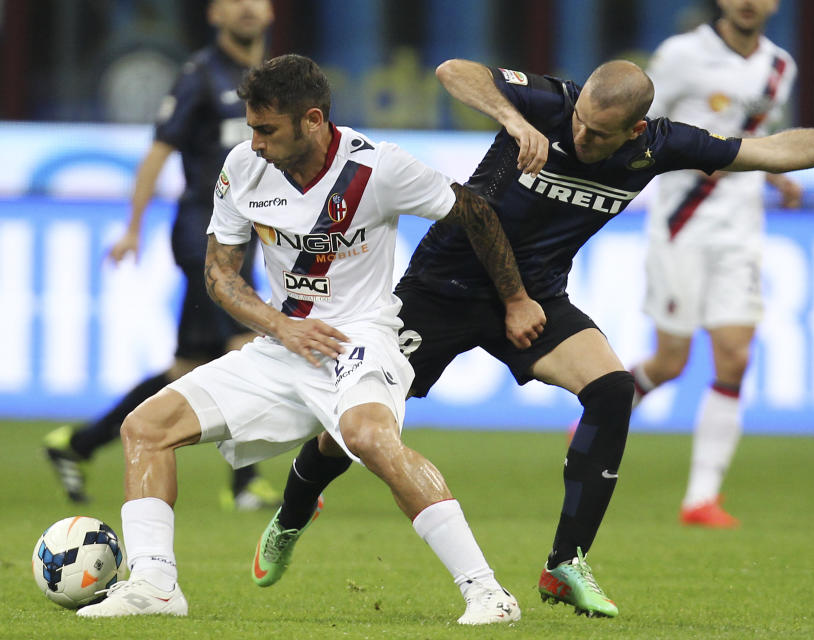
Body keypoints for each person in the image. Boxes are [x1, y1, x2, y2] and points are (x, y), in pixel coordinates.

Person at [259, 57, 814, 618]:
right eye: (579, 123)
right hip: (438, 291)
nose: (581, 138)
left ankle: (564, 565)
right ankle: (292, 513)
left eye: (597, 133)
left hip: (535, 300)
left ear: (635, 129)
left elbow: (774, 149)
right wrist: (507, 116)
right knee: (353, 433)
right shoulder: (550, 104)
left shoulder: (662, 145)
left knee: (613, 391)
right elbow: (453, 70)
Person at [77, 53, 545, 624]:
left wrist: (517, 299)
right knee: (145, 428)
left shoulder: (381, 169)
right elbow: (220, 274)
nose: (254, 142)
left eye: (266, 129)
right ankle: (155, 586)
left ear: (314, 120)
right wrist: (281, 327)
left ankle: (488, 592)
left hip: (361, 340)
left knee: (369, 437)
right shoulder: (242, 168)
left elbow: (475, 212)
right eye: (251, 127)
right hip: (284, 344)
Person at [44, 0, 280, 510]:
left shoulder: (269, 81)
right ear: (214, 14)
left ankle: (78, 444)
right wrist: (131, 229)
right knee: (246, 343)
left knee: (187, 366)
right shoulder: (198, 75)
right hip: (203, 233)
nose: (246, 8)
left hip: (246, 233)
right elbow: (158, 153)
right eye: (233, 1)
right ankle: (244, 485)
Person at [626, 0, 799, 529]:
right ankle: (611, 399)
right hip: (681, 223)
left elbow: (757, 138)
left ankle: (701, 499)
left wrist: (777, 176)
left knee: (734, 357)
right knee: (671, 362)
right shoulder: (681, 55)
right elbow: (637, 121)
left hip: (740, 231)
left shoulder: (779, 69)